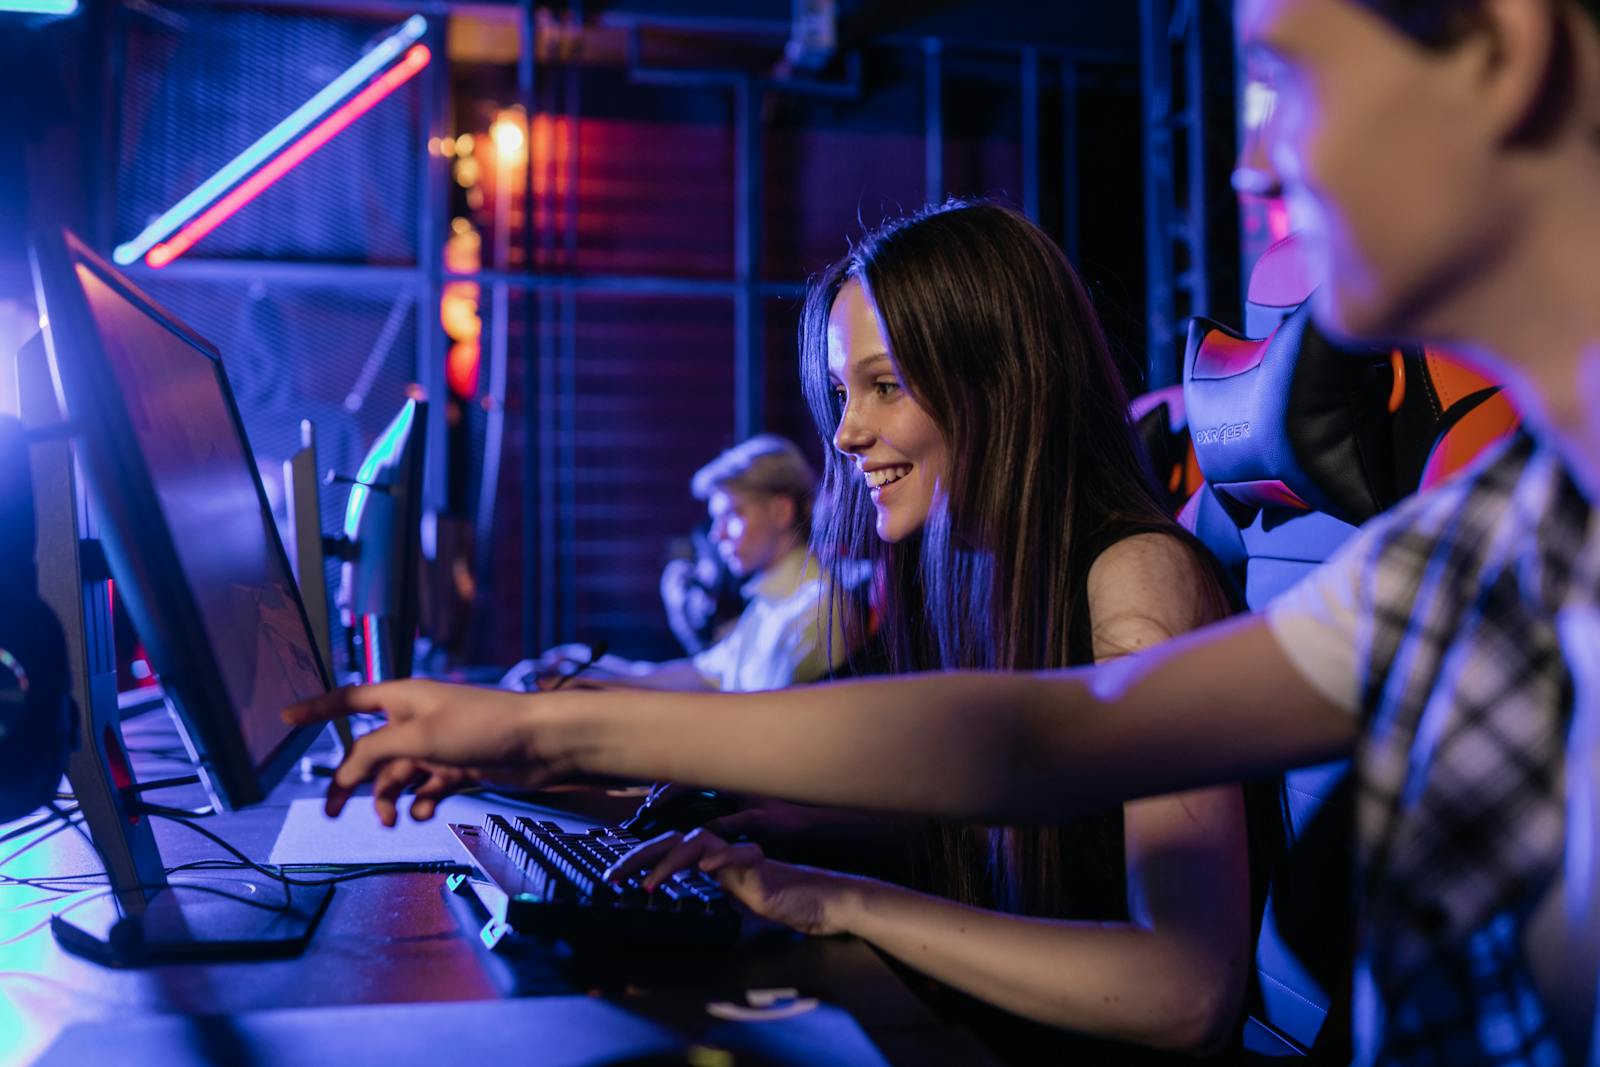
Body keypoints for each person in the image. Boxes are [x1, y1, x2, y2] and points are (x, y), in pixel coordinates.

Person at [286, 0, 1600, 1061]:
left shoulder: (1177, 566)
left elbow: (1142, 906)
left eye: (1284, 79)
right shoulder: (1478, 551)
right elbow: (1043, 735)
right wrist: (564, 759)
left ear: (1502, 44)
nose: (1254, 157)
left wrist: (557, 729)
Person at [313, 201, 1278, 1060]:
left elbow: (1185, 992)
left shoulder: (1139, 576)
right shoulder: (973, 567)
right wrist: (785, 828)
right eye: (843, 393)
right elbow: (993, 815)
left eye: (886, 385)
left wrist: (844, 897)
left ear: (1005, 380)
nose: (847, 433)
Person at [503, 434, 847, 692]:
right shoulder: (772, 603)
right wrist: (590, 669)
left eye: (732, 515)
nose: (717, 535)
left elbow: (749, 720)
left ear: (780, 511)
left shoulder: (815, 610)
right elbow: (703, 675)